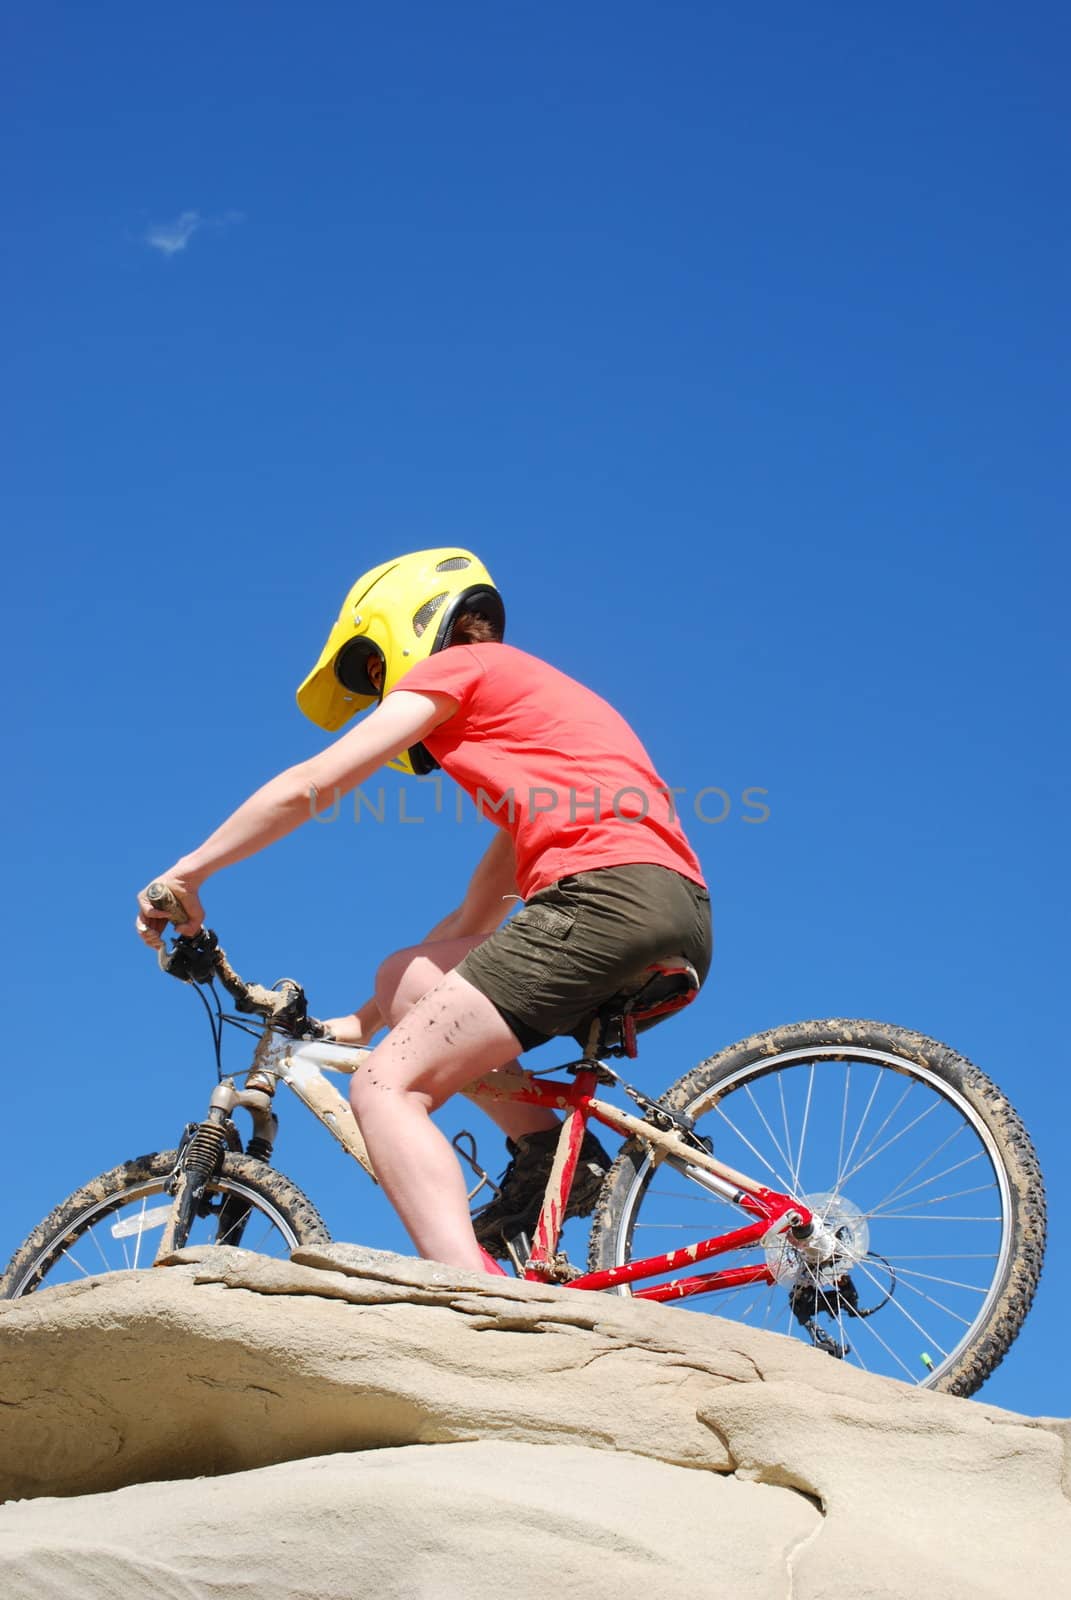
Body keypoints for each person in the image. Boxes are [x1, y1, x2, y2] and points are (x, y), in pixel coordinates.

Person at [136, 549, 712, 1276]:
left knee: (383, 1088)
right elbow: (479, 915)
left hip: (600, 900)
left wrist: (188, 874)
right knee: (405, 978)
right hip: (669, 910)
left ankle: (476, 1302)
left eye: (375, 671)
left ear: (408, 627)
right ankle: (549, 1161)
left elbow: (316, 780)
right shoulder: (538, 720)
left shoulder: (457, 669)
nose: (382, 695)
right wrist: (361, 1019)